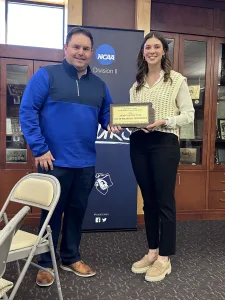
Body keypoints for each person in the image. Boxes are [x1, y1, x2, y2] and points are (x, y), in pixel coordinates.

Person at [19, 27, 120, 287]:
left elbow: (106, 115)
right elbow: (28, 111)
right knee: (51, 215)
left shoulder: (99, 85)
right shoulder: (46, 76)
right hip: (52, 161)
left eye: (86, 49)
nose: (81, 52)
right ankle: (44, 262)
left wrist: (114, 122)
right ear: (66, 48)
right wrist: (39, 148)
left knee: (77, 212)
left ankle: (70, 257)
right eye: (76, 47)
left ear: (92, 53)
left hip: (85, 162)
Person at [129, 31, 195, 282]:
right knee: (148, 201)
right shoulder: (135, 85)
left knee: (164, 200)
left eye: (157, 47)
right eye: (148, 47)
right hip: (139, 142)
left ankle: (165, 258)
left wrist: (164, 120)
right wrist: (123, 124)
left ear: (164, 51)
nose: (152, 51)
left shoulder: (177, 80)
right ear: (143, 52)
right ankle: (152, 251)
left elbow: (188, 115)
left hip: (165, 141)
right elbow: (133, 116)